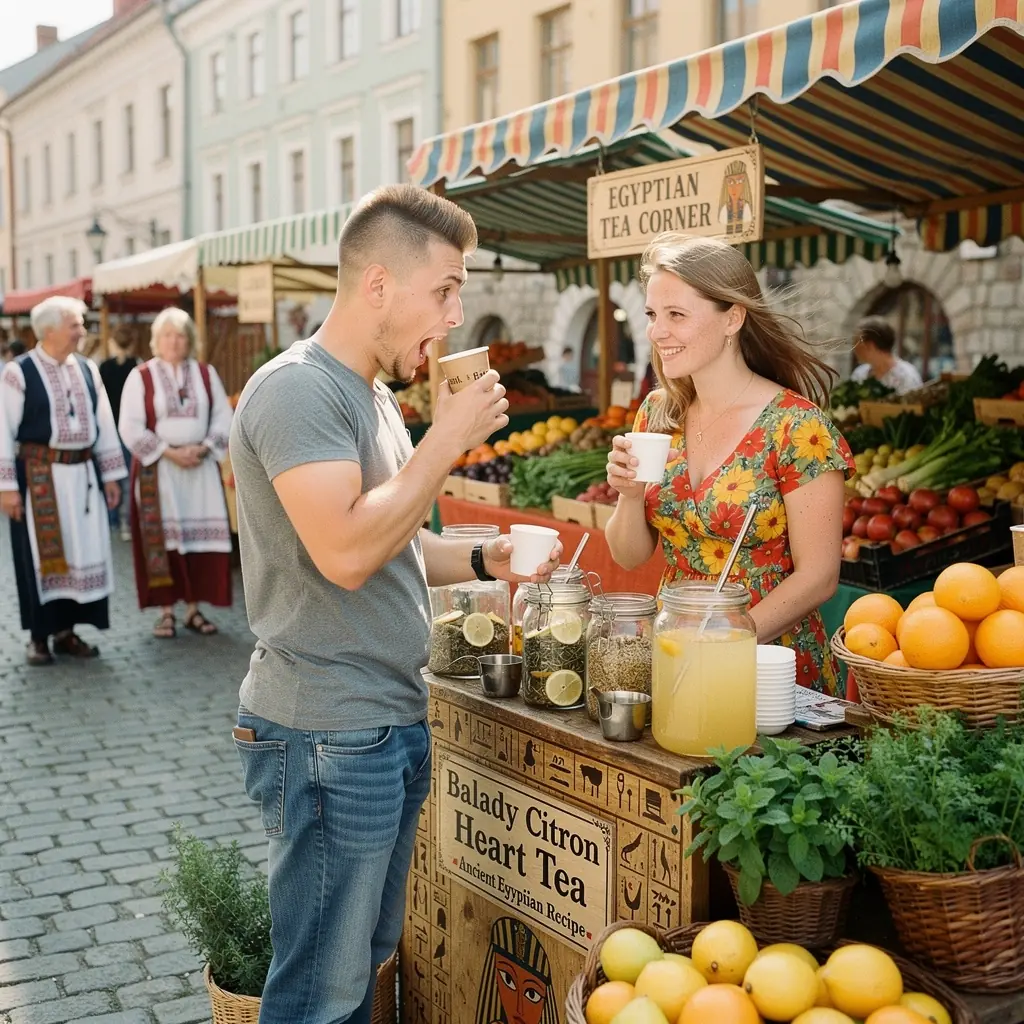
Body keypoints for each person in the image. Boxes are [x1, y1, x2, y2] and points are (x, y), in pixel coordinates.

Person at [228, 183, 562, 1024]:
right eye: (445, 289)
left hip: (383, 723)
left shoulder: (375, 396)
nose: (455, 315)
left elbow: (394, 545)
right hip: (329, 730)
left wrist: (488, 556)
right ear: (378, 284)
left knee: (362, 965)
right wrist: (447, 440)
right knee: (320, 992)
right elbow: (344, 551)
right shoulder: (298, 391)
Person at [605, 233, 853, 695]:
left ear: (732, 318)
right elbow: (629, 554)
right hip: (677, 647)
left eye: (677, 315)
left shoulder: (798, 427)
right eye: (653, 315)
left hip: (769, 660)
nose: (657, 332)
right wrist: (629, 495)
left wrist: (727, 641)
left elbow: (819, 576)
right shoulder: (658, 414)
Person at [0, 297, 126, 665]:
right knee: (40, 558)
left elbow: (104, 425)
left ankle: (68, 631)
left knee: (80, 552)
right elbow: (3, 431)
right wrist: (7, 487)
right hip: (40, 477)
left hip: (83, 475)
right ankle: (39, 636)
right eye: (75, 324)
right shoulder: (18, 372)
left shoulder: (88, 369)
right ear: (49, 330)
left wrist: (113, 475)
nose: (82, 331)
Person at [118, 308, 233, 639]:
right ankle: (166, 611)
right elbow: (129, 425)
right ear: (157, 340)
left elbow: (223, 417)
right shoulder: (141, 376)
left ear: (190, 340)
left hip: (199, 469)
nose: (174, 341)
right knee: (165, 540)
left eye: (181, 335)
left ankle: (194, 609)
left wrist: (205, 447)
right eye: (167, 335)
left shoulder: (205, 373)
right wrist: (168, 452)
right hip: (160, 471)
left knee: (198, 541)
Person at [100, 325, 141, 540]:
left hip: (109, 427)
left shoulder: (104, 367)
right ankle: (126, 522)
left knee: (110, 472)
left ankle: (111, 517)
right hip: (131, 428)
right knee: (128, 476)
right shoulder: (137, 367)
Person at [851, 316, 923, 395]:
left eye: (856, 343)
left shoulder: (907, 376)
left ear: (870, 345)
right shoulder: (860, 374)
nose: (854, 348)